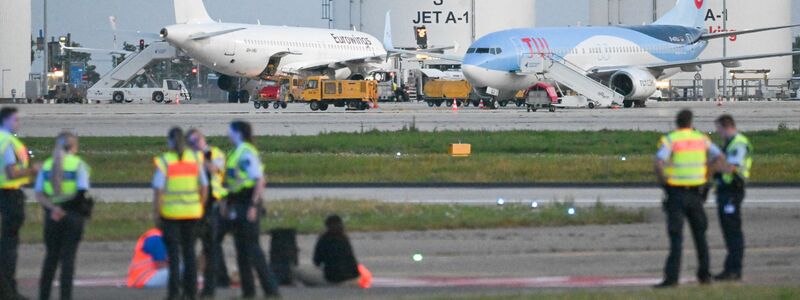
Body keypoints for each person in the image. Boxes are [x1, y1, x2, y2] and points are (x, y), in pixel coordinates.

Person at [653, 109, 724, 288]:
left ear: (677, 123)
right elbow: (719, 157)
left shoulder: (671, 139)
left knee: (676, 237)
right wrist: (707, 176)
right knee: (700, 236)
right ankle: (704, 275)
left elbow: (658, 162)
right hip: (696, 194)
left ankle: (672, 278)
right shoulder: (701, 139)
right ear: (691, 123)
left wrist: (664, 182)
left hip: (676, 193)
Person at [152, 127, 209, 300]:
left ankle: (174, 293)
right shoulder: (195, 159)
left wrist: (157, 213)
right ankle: (191, 293)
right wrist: (200, 205)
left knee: (174, 257)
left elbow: (158, 191)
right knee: (190, 253)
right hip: (192, 213)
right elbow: (204, 186)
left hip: (171, 215)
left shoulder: (165, 161)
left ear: (170, 141)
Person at [224, 120, 279, 298]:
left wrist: (254, 205)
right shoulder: (235, 151)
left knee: (253, 249)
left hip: (247, 202)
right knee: (241, 250)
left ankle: (271, 290)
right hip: (236, 202)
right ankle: (248, 291)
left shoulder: (246, 152)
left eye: (230, 131)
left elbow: (259, 180)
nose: (228, 134)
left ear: (238, 133)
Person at [35, 132, 91, 300]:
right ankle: (65, 296)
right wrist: (64, 208)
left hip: (52, 217)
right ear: (73, 146)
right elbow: (81, 193)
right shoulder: (78, 164)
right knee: (68, 260)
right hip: (72, 216)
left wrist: (54, 208)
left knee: (50, 258)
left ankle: (43, 295)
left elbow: (39, 194)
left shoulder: (47, 165)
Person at [186, 129, 232, 297]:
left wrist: (202, 159)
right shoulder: (189, 156)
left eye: (197, 140)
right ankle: (215, 279)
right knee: (202, 245)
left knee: (212, 244)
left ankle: (218, 280)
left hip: (215, 203)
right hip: (195, 205)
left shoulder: (214, 153)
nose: (195, 144)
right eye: (192, 141)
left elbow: (217, 169)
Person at [0, 107, 39, 300]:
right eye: (15, 120)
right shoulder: (7, 142)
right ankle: (8, 292)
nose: (18, 123)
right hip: (8, 195)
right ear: (6, 121)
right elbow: (11, 172)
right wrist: (33, 170)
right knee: (8, 246)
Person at [713, 115, 752, 281]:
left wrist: (716, 163)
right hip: (725, 191)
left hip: (733, 191)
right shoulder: (729, 143)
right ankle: (730, 268)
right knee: (728, 231)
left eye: (719, 129)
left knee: (733, 231)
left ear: (726, 126)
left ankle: (734, 269)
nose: (718, 133)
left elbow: (731, 168)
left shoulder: (739, 143)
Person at [295, 215, 361, 287]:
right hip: (353, 279)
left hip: (333, 280)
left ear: (327, 226)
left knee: (297, 272)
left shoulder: (324, 239)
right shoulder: (344, 238)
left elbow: (316, 262)